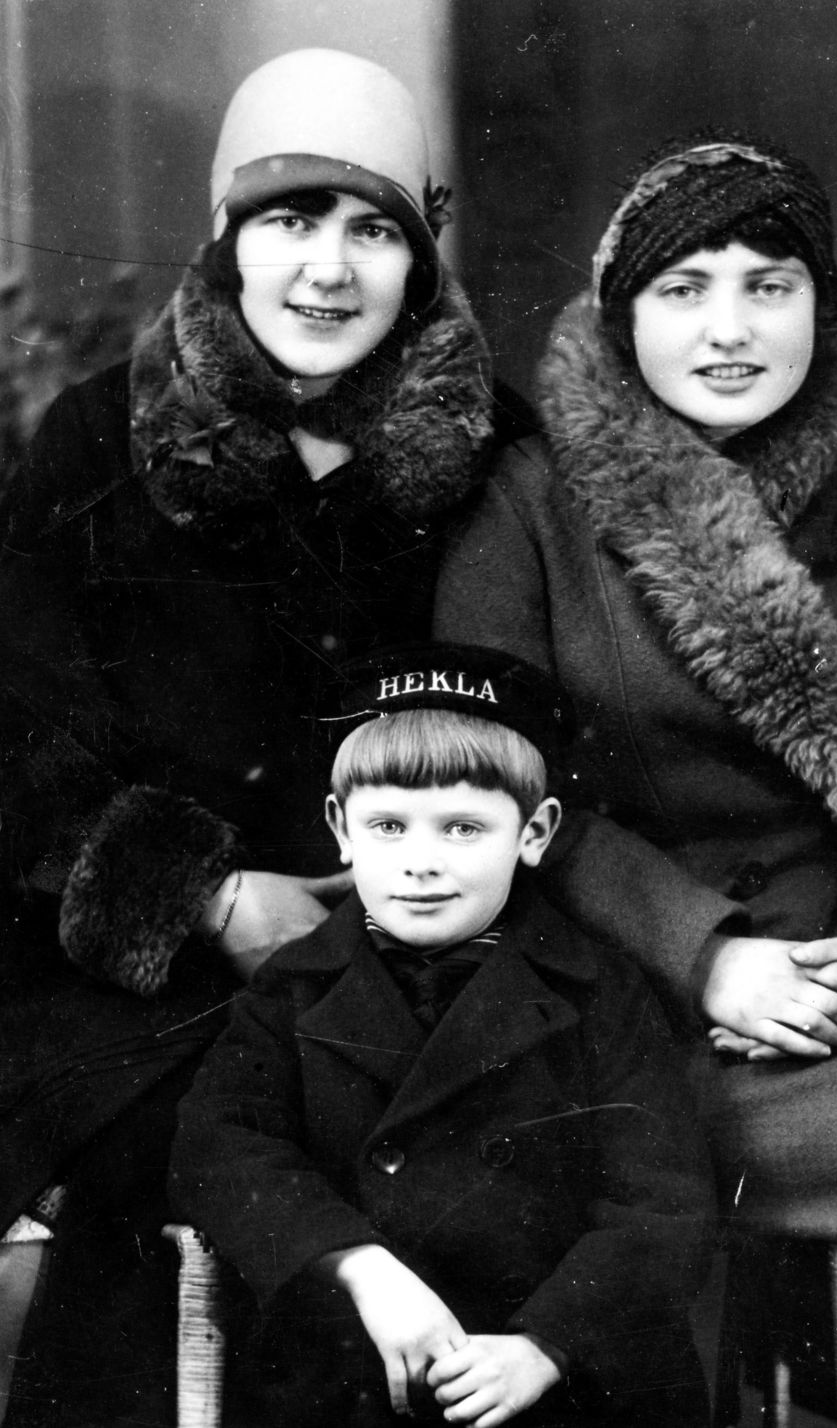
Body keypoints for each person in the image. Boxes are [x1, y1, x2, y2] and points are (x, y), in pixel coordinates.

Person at [434, 132, 837, 1425]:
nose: (730, 328)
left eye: (770, 284)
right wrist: (710, 957)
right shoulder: (526, 506)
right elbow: (509, 805)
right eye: (684, 288)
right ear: (622, 316)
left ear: (824, 304)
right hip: (636, 1027)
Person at [0, 49, 515, 1427]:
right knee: (216, 1158)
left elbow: (548, 734)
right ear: (223, 231)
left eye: (373, 230)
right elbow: (20, 751)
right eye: (289, 219)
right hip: (147, 985)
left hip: (423, 956)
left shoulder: (497, 456)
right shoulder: (100, 440)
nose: (328, 270)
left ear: (425, 248)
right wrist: (209, 896)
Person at [169, 642, 714, 1428]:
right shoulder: (292, 987)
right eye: (389, 825)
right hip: (356, 1377)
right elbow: (217, 1148)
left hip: (564, 1384)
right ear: (341, 829)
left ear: (534, 832)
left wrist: (546, 1346)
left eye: (462, 828)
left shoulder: (601, 988)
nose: (420, 862)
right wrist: (359, 1266)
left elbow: (662, 1204)